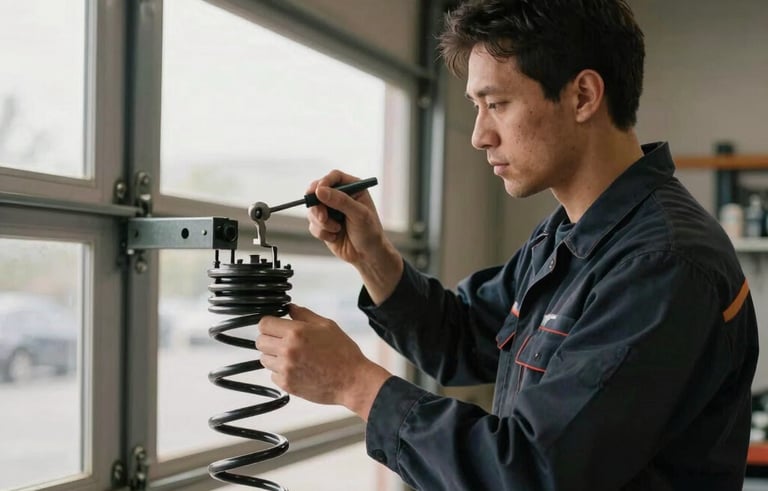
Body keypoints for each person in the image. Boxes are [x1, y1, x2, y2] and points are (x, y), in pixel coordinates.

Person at [256, 0, 759, 489]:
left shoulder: (661, 265)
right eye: (477, 107)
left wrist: (355, 383)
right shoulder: (567, 236)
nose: (479, 135)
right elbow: (464, 338)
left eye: (496, 104)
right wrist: (373, 257)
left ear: (583, 96)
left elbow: (530, 473)